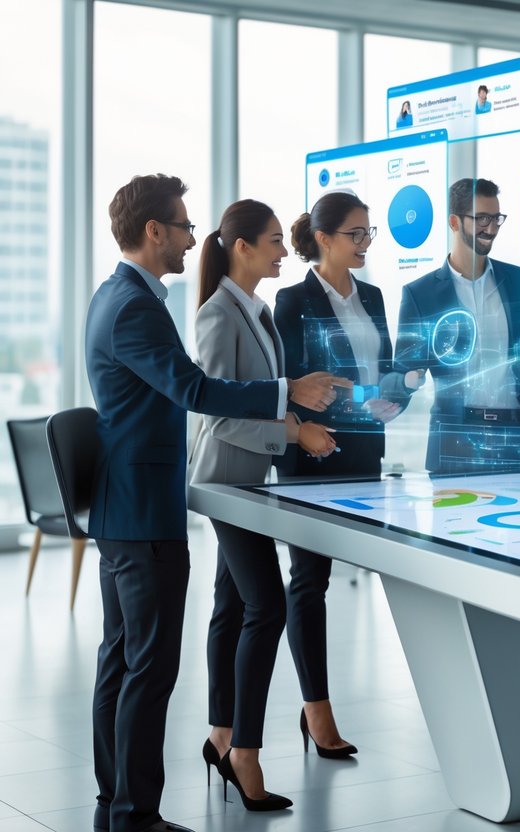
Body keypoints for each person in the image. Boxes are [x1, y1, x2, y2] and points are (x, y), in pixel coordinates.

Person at [85, 174, 343, 832]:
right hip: (142, 513)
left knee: (121, 660)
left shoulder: (115, 296)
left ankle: (115, 801)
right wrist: (286, 397)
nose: (190, 238)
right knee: (147, 668)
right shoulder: (135, 307)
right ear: (153, 232)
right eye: (182, 225)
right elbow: (194, 389)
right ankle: (136, 815)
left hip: (126, 510)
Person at [190, 199, 340, 813]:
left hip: (252, 481)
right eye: (276, 240)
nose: (285, 250)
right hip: (227, 481)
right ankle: (243, 752)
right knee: (267, 605)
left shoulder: (258, 311)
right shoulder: (217, 315)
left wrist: (301, 418)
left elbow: (263, 398)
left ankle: (220, 734)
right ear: (242, 246)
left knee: (231, 606)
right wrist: (291, 432)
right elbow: (221, 412)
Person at [274, 191, 416, 758]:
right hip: (314, 454)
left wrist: (398, 395)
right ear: (325, 239)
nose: (364, 245)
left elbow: (381, 374)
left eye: (368, 234)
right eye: (355, 234)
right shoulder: (291, 300)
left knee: (385, 566)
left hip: (365, 453)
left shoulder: (375, 297)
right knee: (310, 579)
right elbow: (288, 386)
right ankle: (317, 710)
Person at [395, 177, 520, 475]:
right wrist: (401, 385)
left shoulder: (516, 280)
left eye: (496, 218)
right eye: (481, 218)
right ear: (454, 222)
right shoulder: (420, 294)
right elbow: (403, 369)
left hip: (519, 439)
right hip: (457, 443)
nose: (491, 228)